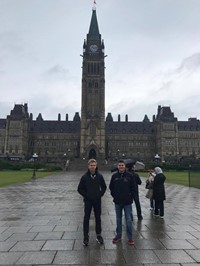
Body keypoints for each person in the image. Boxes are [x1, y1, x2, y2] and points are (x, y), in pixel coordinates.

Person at [77, 159, 107, 246]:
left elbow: (104, 187)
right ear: (88, 166)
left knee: (98, 218)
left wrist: (99, 195)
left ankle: (98, 235)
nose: (92, 167)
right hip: (88, 201)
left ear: (96, 166)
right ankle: (86, 236)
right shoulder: (84, 177)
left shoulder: (100, 176)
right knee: (86, 218)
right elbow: (79, 189)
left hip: (97, 200)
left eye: (94, 165)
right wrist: (86, 196)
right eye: (91, 165)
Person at [109, 159, 137, 245]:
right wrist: (115, 196)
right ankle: (118, 235)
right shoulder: (114, 176)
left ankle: (130, 238)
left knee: (128, 220)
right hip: (118, 201)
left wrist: (130, 197)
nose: (121, 166)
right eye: (119, 165)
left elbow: (134, 188)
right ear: (117, 166)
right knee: (118, 219)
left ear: (125, 166)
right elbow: (111, 188)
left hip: (127, 202)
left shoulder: (130, 176)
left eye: (122, 165)